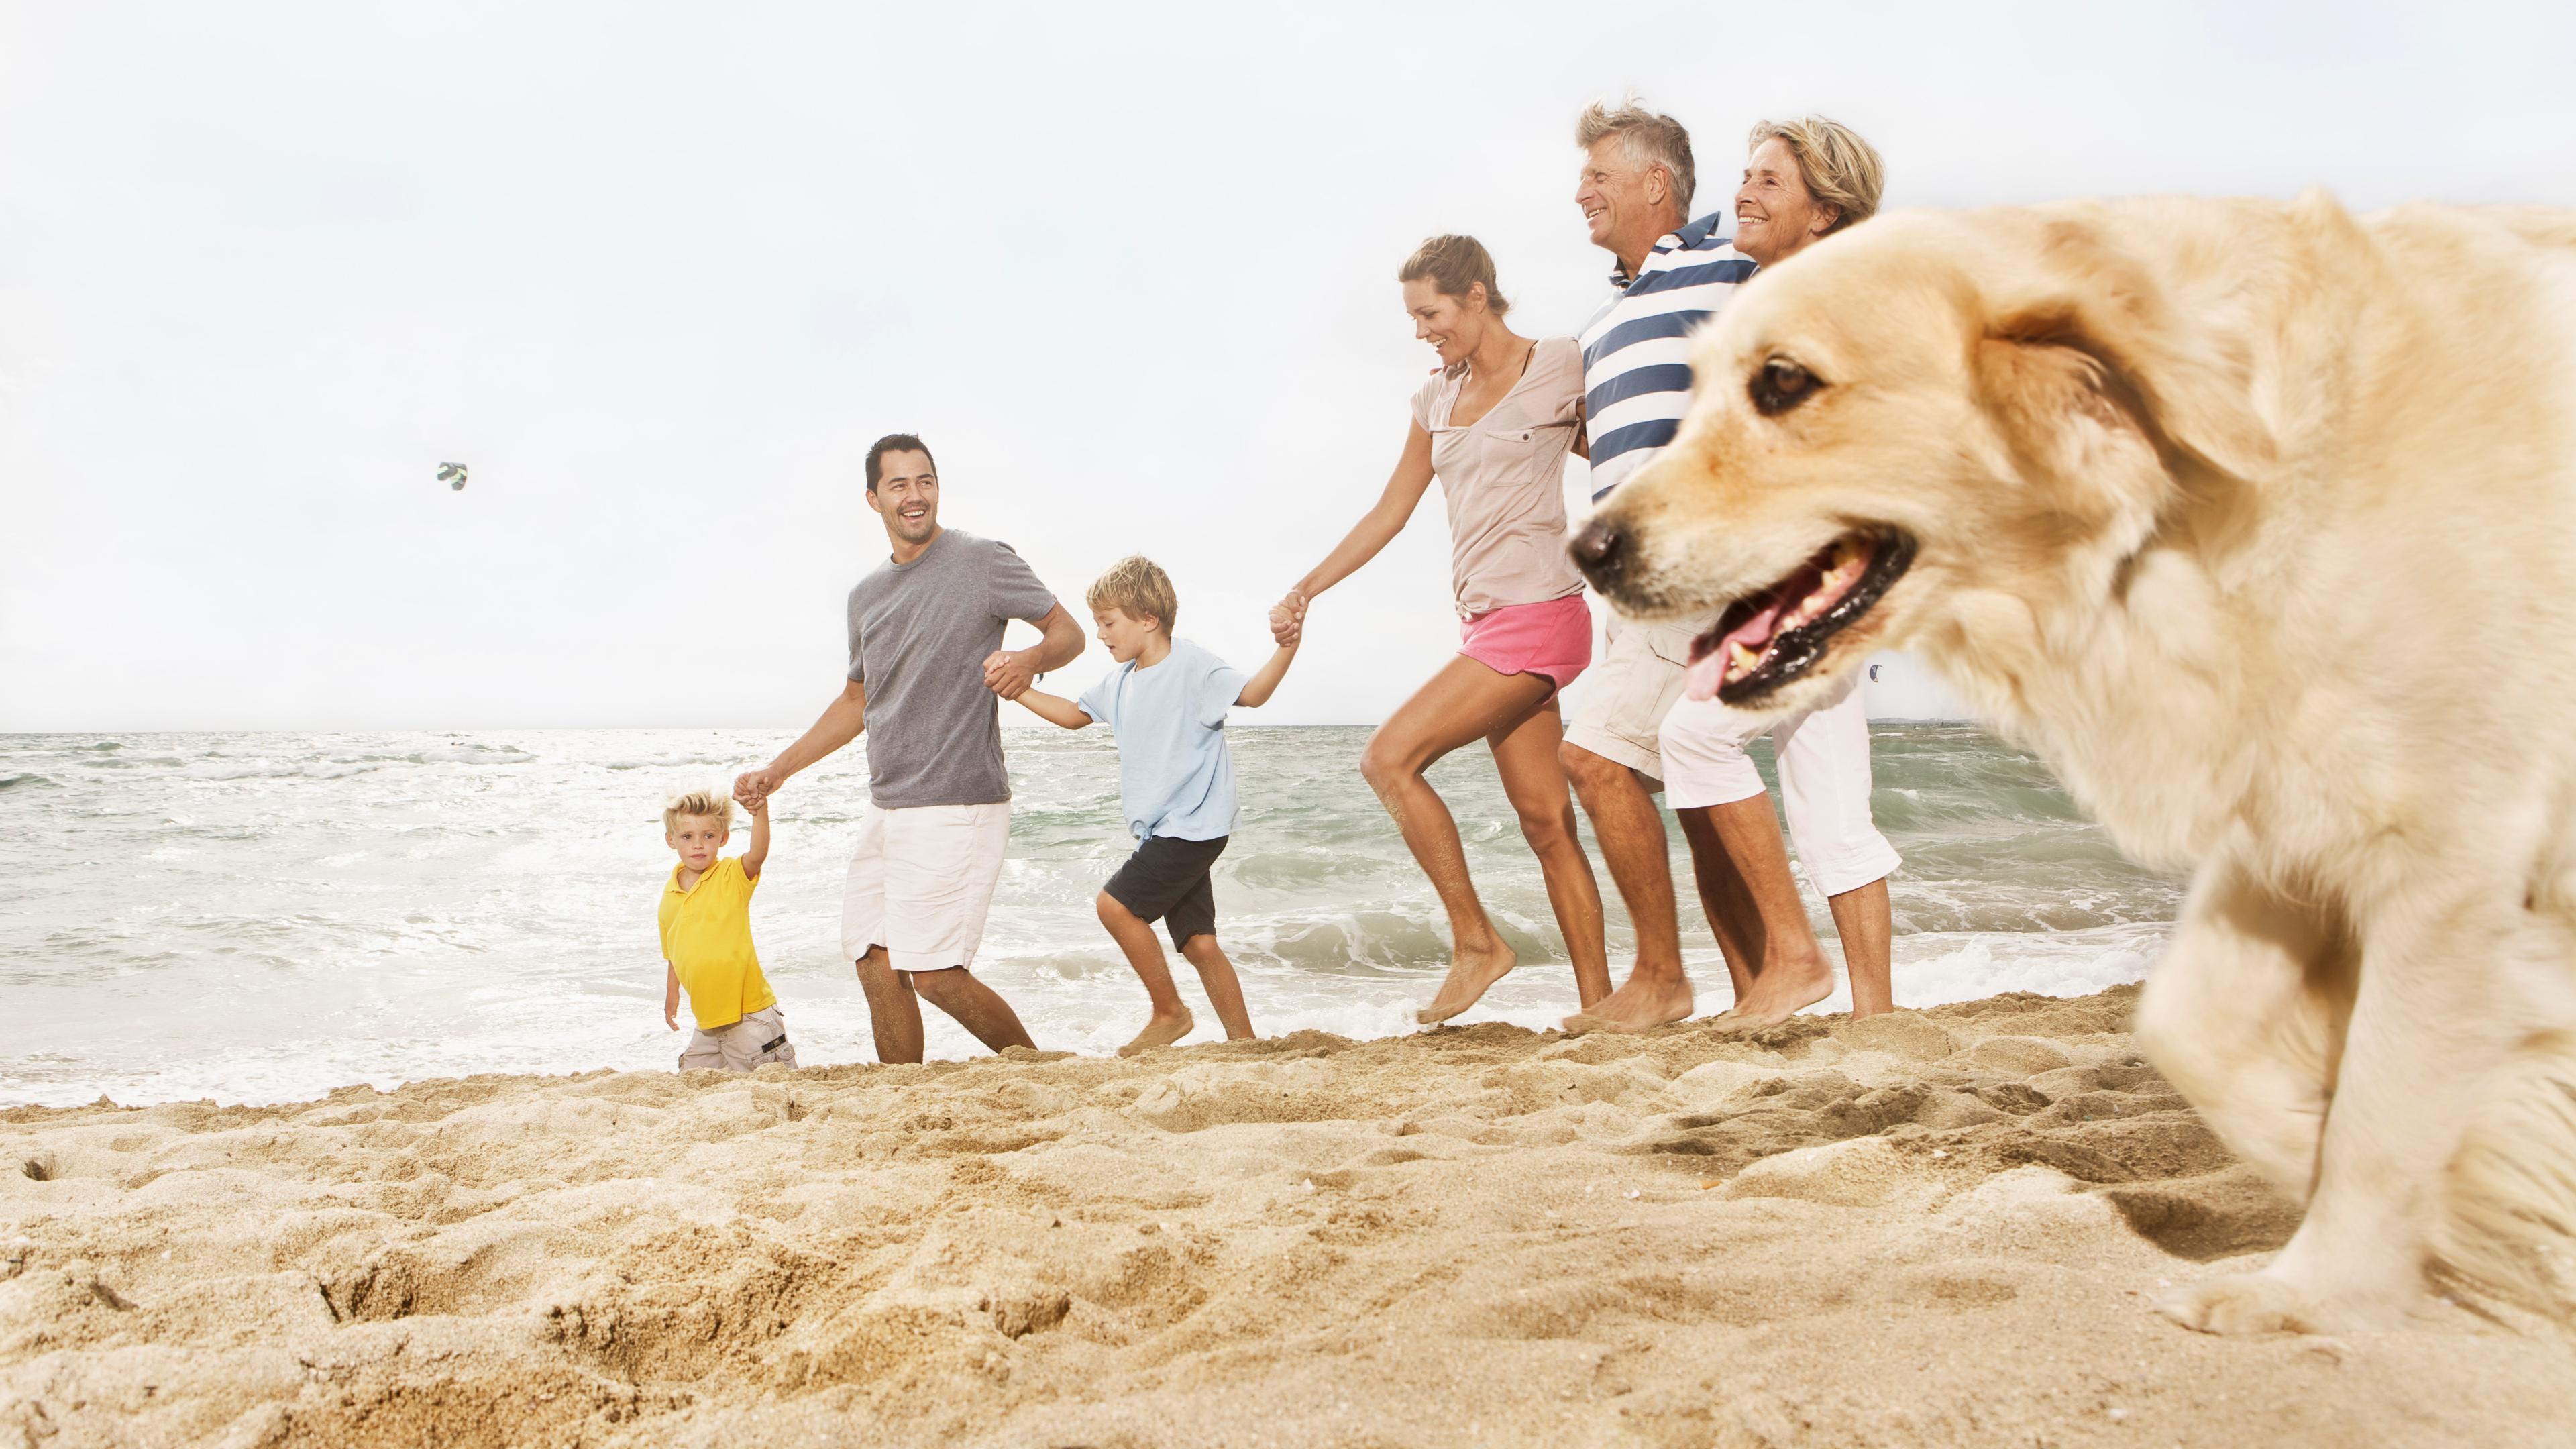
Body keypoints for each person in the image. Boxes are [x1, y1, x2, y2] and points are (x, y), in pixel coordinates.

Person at [1556, 104, 1902, 1035]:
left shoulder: (1773, 283)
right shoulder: (1744, 297)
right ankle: (1877, 1021)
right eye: (1746, 177)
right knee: (1830, 807)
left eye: (1769, 179)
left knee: (1696, 743)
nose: (1748, 192)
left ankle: (1789, 963)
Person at [1272, 236, 1611, 1025]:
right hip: (1488, 625)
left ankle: (1477, 944)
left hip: (1545, 615)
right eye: (1415, 317)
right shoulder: (1434, 400)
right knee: (1547, 823)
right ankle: (1599, 1011)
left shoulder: (1558, 363)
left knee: (1388, 758)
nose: (1423, 330)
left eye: (1430, 313)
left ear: (1477, 297)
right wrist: (1308, 588)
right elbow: (1390, 512)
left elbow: (1618, 449)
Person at [733, 433, 1086, 1063]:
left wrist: (1029, 659)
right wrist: (777, 770)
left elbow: (1068, 632)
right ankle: (905, 1093)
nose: (915, 495)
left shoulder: (983, 560)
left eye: (925, 481)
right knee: (873, 959)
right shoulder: (865, 597)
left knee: (936, 972)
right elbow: (854, 704)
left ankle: (1045, 1074)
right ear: (874, 499)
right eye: (899, 485)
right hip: (888, 802)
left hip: (959, 797)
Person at [1007, 555, 1301, 1055]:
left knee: (1115, 906)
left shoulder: (1192, 665)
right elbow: (1074, 716)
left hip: (1193, 825)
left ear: (1148, 618)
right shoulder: (1120, 680)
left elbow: (1253, 694)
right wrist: (1015, 692)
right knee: (1198, 943)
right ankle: (1246, 1046)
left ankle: (1170, 1012)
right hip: (1166, 830)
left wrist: (1286, 648)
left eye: (1108, 622)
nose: (1101, 635)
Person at [659, 786, 798, 1072]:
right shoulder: (670, 894)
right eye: (687, 837)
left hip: (750, 1016)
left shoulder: (731, 876)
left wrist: (760, 813)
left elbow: (757, 854)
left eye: (708, 836)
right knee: (692, 1079)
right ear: (671, 841)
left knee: (766, 1084)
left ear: (722, 839)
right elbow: (674, 951)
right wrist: (672, 994)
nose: (698, 845)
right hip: (708, 1020)